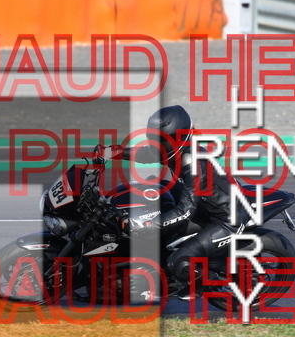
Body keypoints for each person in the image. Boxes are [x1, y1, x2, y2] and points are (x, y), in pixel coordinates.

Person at [104, 105, 248, 300]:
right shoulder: (173, 150)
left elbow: (186, 211)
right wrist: (116, 152)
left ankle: (204, 283)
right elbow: (146, 154)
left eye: (163, 141)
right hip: (201, 205)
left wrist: (148, 225)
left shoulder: (193, 163)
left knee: (178, 261)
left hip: (226, 219)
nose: (158, 146)